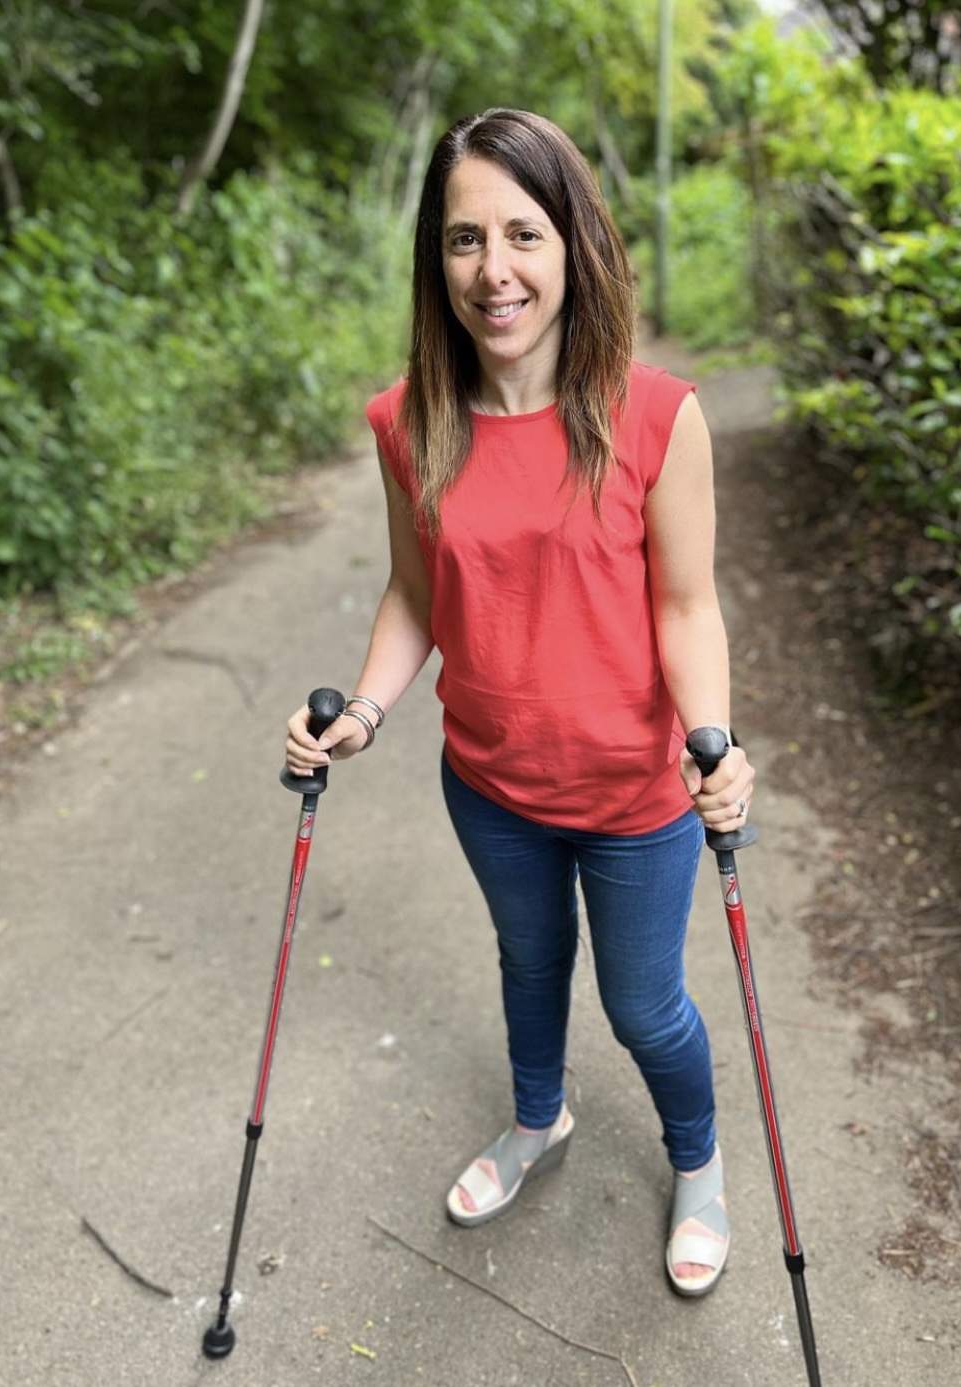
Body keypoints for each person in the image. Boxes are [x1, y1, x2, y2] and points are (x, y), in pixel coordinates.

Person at [284, 108, 754, 1297]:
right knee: (528, 961)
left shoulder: (655, 415)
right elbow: (412, 594)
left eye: (523, 234)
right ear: (435, 262)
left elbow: (688, 608)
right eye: (463, 241)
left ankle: (697, 1165)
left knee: (645, 1009)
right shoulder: (411, 423)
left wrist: (720, 746)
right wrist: (369, 711)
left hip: (636, 793)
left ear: (574, 245)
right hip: (491, 785)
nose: (494, 270)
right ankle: (538, 1120)